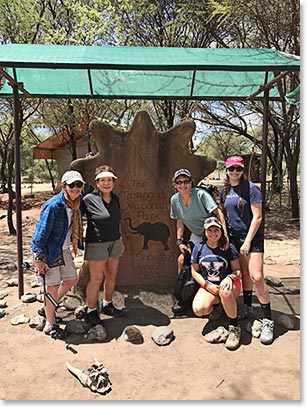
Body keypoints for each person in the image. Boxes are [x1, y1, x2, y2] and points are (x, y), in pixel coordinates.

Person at [220, 155, 274, 345]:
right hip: (234, 238)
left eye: (238, 169)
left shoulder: (251, 189)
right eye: (231, 169)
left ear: (243, 170)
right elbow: (225, 214)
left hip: (252, 238)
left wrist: (248, 241)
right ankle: (248, 307)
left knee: (257, 276)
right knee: (244, 274)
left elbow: (258, 217)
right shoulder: (225, 190)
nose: (235, 172)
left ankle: (268, 319)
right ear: (227, 171)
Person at [31, 170, 85, 339]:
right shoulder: (53, 206)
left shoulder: (77, 203)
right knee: (52, 286)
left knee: (71, 279)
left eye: (79, 185)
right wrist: (39, 259)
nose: (76, 188)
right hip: (48, 251)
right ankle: (50, 323)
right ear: (64, 186)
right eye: (72, 185)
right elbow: (40, 234)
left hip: (63, 248)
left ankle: (49, 306)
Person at [169, 168, 228, 314]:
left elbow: (217, 211)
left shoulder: (200, 195)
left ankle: (220, 299)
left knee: (212, 262)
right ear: (175, 185)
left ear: (191, 183)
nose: (183, 185)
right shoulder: (175, 200)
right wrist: (179, 241)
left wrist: (225, 235)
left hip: (212, 232)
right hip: (197, 234)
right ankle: (183, 296)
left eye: (186, 182)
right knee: (182, 260)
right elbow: (180, 220)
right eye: (179, 182)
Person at [191, 216, 242, 350]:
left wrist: (230, 277)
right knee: (199, 309)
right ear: (205, 232)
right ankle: (220, 307)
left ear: (221, 231)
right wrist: (207, 285)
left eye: (216, 230)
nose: (213, 233)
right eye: (210, 230)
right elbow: (194, 271)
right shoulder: (199, 248)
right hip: (210, 286)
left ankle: (234, 327)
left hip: (229, 285)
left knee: (225, 291)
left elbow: (238, 271)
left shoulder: (229, 248)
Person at [83, 165, 124, 326]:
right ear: (97, 182)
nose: (106, 183)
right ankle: (91, 311)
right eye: (102, 180)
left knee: (112, 275)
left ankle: (107, 304)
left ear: (113, 182)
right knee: (96, 278)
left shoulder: (115, 199)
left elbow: (117, 221)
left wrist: (121, 240)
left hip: (115, 241)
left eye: (109, 180)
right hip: (97, 243)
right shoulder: (88, 200)